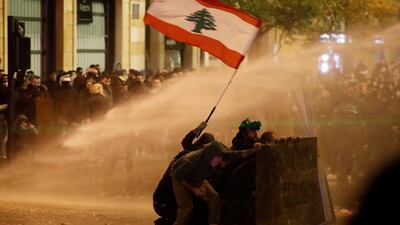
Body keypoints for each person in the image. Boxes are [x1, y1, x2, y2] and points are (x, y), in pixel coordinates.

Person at [171, 141, 258, 225]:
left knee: (214, 198)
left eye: (221, 157)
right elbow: (177, 176)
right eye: (218, 157)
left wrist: (253, 150)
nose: (220, 160)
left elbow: (237, 154)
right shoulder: (192, 160)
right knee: (187, 208)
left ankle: (213, 223)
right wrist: (194, 189)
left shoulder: (215, 157)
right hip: (181, 179)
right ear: (210, 156)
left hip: (197, 177)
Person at [153, 122, 215, 224]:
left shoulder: (193, 155)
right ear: (202, 146)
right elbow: (186, 142)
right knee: (191, 214)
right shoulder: (190, 157)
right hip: (164, 203)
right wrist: (198, 128)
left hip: (166, 200)